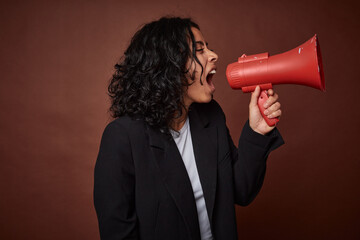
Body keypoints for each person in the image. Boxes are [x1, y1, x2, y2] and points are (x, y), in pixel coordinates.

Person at [94, 17, 284, 240]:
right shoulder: (122, 137)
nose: (214, 55)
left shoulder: (210, 117)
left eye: (208, 48)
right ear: (169, 65)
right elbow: (118, 233)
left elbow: (240, 190)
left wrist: (257, 131)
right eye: (199, 50)